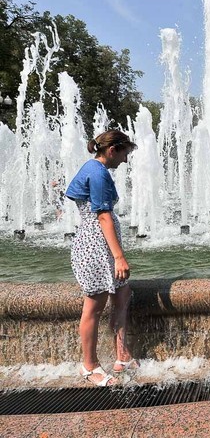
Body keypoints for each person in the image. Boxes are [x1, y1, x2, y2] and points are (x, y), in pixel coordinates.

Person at [65, 130, 139, 387]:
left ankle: (122, 355)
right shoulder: (97, 172)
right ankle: (89, 365)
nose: (126, 160)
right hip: (95, 247)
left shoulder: (94, 169)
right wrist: (119, 256)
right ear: (112, 150)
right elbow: (103, 216)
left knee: (122, 293)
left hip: (101, 243)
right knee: (94, 306)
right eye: (125, 153)